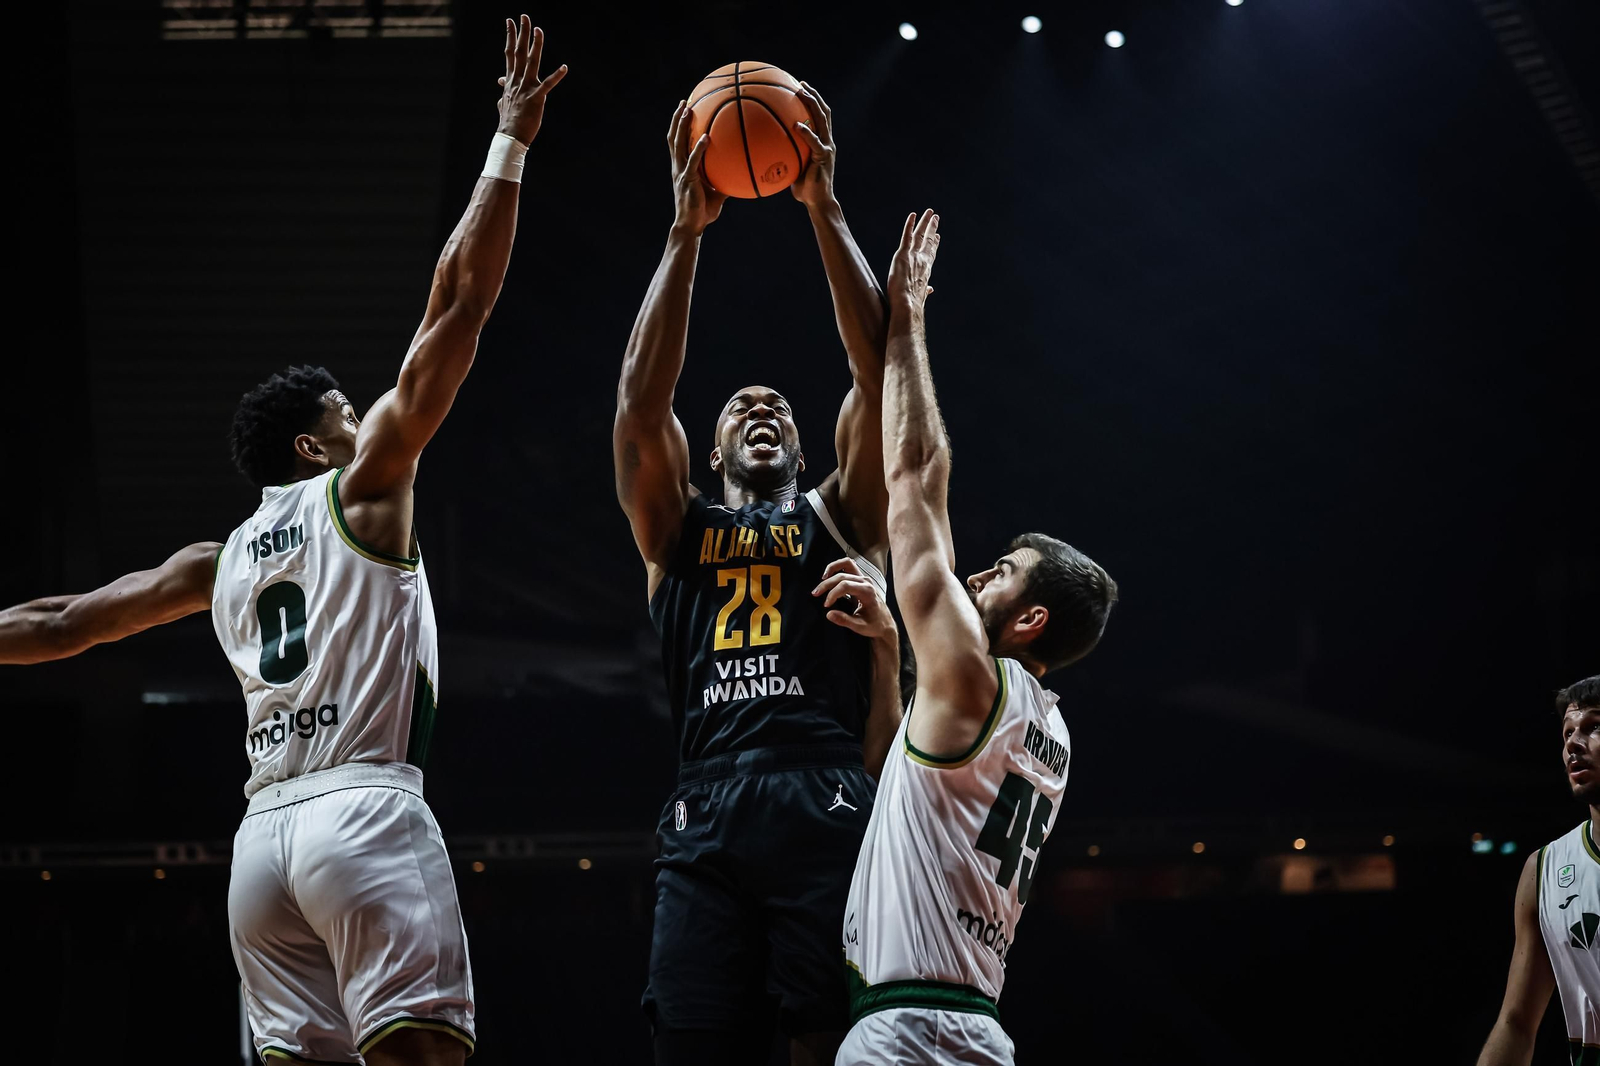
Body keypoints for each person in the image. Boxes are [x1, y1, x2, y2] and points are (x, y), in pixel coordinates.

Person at [0, 17, 565, 1064]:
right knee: (423, 1052)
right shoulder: (367, 489)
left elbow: (60, 624)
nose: (368, 421)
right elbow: (459, 302)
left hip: (260, 845)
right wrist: (509, 144)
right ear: (314, 443)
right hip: (364, 810)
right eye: (350, 412)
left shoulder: (209, 565)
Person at [614, 86, 903, 1064]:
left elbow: (881, 378)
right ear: (710, 447)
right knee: (691, 1035)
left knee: (830, 1039)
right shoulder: (674, 524)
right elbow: (640, 402)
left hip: (822, 786)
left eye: (778, 401)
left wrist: (824, 209)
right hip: (705, 801)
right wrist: (684, 232)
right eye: (742, 404)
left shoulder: (838, 512)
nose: (764, 404)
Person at [838, 210, 1118, 1066]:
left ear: (1030, 620)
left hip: (906, 1028)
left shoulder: (972, 677)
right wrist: (890, 652)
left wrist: (910, 317)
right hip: (977, 1030)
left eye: (1002, 571)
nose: (974, 578)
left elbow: (917, 481)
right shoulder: (1051, 730)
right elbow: (902, 780)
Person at [1478, 674, 1600, 1066]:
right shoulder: (1544, 870)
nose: (1572, 744)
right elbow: (1516, 1023)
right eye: (1567, 732)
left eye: (1594, 727)